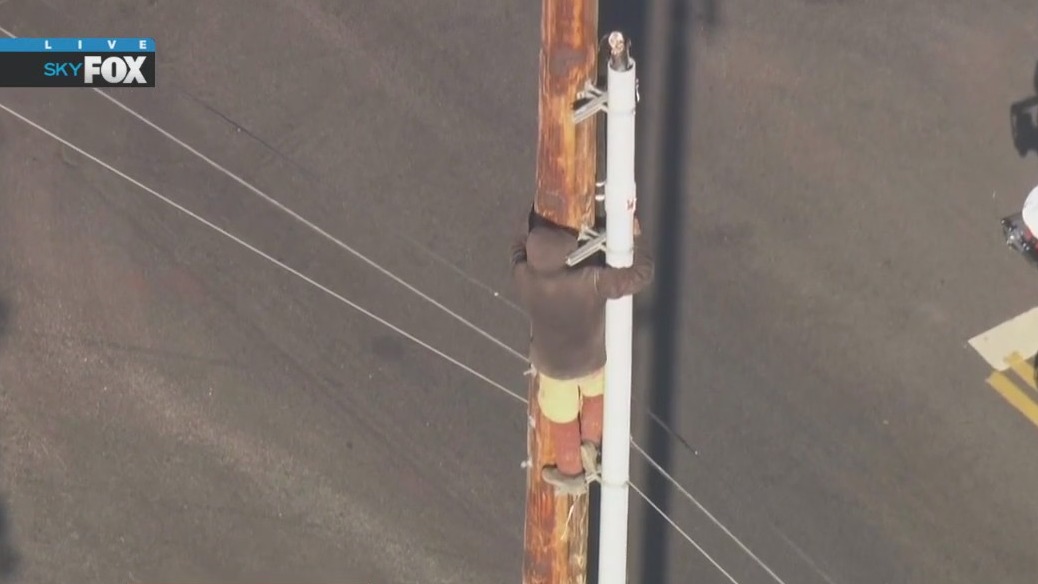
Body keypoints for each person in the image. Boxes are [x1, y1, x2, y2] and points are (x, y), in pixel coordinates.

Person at [511, 209, 654, 494]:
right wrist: (638, 240)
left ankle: (571, 473)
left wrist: (522, 229)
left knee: (562, 418)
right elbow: (641, 275)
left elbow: (516, 252)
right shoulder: (589, 281)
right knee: (595, 395)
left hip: (553, 368)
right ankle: (591, 441)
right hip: (591, 359)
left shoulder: (524, 279)